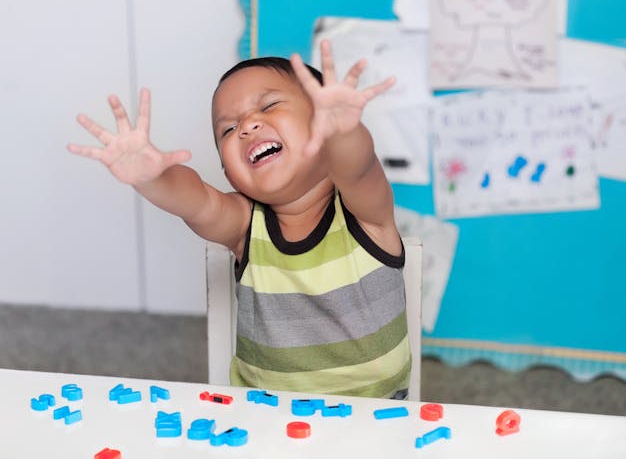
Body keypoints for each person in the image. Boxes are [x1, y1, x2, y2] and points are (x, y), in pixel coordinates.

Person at [68, 40, 411, 399]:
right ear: (229, 172)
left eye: (269, 105)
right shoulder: (247, 225)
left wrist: (345, 132)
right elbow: (197, 202)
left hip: (377, 420)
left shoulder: (365, 213)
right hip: (263, 422)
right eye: (227, 130)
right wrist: (152, 178)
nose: (247, 126)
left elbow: (359, 168)